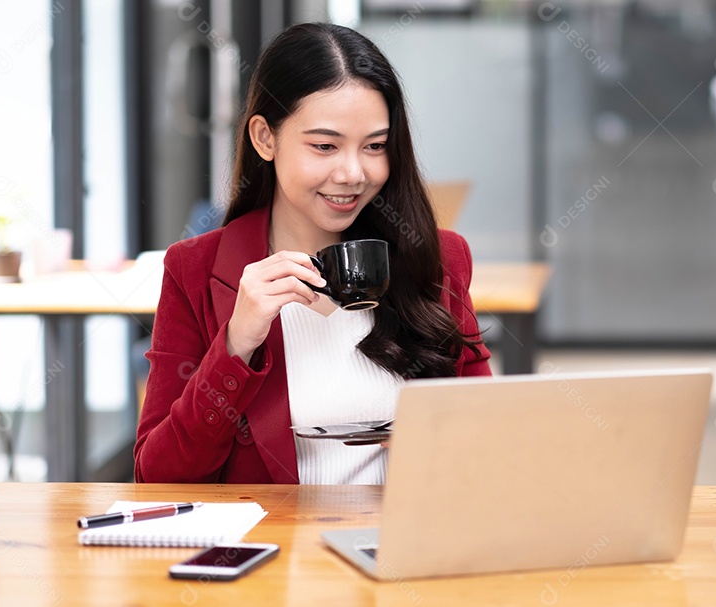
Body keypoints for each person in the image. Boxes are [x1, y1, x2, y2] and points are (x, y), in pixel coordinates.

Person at [134, 23, 491, 485]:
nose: (352, 173)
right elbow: (158, 477)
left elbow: (487, 438)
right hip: (275, 551)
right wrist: (236, 343)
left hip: (403, 544)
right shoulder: (195, 270)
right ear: (265, 138)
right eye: (324, 146)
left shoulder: (438, 257)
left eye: (375, 146)